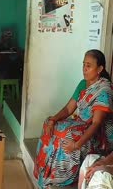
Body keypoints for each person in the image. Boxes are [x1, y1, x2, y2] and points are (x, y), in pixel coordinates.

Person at [33, 49, 113, 188]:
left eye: (89, 65)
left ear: (100, 68)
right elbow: (69, 109)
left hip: (99, 135)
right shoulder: (83, 83)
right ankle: (45, 172)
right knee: (49, 123)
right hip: (82, 123)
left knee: (65, 133)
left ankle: (61, 176)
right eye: (83, 64)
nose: (84, 69)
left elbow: (96, 123)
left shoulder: (104, 90)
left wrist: (76, 145)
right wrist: (53, 119)